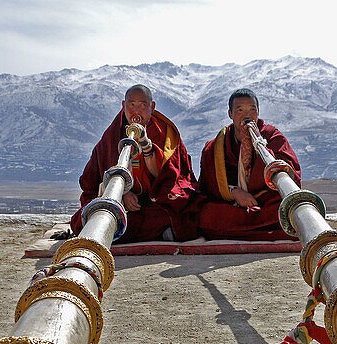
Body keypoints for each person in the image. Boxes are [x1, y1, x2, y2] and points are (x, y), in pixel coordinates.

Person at [70, 84, 198, 242]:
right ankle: (160, 232)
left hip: (155, 200)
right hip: (119, 200)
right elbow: (92, 179)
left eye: (142, 105)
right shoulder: (112, 134)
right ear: (123, 106)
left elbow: (167, 176)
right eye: (131, 105)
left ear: (152, 106)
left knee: (181, 209)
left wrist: (147, 146)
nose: (136, 112)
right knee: (83, 219)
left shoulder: (164, 132)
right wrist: (121, 193)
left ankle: (129, 233)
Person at [197, 88, 301, 241]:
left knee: (286, 209)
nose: (247, 115)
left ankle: (238, 232)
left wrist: (261, 145)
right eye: (240, 110)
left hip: (264, 201)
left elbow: (289, 173)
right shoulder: (217, 145)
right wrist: (233, 192)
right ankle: (266, 231)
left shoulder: (271, 136)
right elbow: (208, 185)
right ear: (230, 114)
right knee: (206, 214)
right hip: (232, 203)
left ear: (258, 112)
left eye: (252, 110)